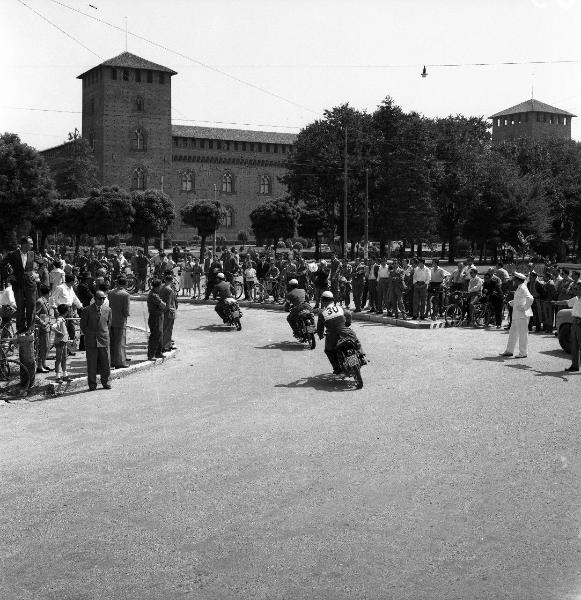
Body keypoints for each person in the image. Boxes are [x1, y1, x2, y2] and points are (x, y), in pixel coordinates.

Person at [316, 291, 365, 374]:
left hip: (332, 335)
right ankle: (361, 356)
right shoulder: (339, 308)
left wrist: (320, 335)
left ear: (323, 301)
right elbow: (349, 314)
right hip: (345, 331)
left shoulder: (322, 313)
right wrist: (347, 323)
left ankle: (337, 368)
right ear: (332, 300)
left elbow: (320, 327)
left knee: (328, 351)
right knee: (356, 341)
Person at [1, 236, 38, 332]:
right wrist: (9, 275)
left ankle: (31, 328)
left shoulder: (32, 254)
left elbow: (42, 263)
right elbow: (1, 264)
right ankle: (20, 328)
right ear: (24, 244)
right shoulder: (12, 254)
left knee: (32, 305)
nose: (32, 245)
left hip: (30, 284)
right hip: (18, 284)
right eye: (31, 243)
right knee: (20, 307)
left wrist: (37, 274)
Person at [80, 290, 112, 390]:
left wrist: (103, 334)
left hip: (103, 340)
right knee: (92, 364)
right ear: (94, 298)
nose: (102, 300)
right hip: (91, 340)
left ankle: (106, 382)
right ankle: (92, 384)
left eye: (104, 298)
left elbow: (108, 325)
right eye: (100, 298)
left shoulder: (108, 310)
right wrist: (90, 335)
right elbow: (83, 326)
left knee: (106, 363)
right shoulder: (87, 310)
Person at [500, 272, 533, 359]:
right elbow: (520, 299)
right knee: (513, 333)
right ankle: (509, 351)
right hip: (517, 315)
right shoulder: (519, 287)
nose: (513, 280)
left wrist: (525, 307)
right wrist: (513, 302)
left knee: (523, 334)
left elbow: (530, 298)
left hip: (522, 315)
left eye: (515, 279)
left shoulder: (522, 287)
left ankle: (523, 352)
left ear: (518, 280)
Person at [51, 274, 83, 355]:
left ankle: (70, 348)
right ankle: (62, 349)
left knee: (71, 329)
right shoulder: (60, 288)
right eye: (74, 281)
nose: (75, 283)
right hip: (62, 310)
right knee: (62, 329)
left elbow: (74, 298)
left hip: (69, 310)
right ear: (71, 281)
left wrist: (81, 307)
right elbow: (52, 299)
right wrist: (55, 309)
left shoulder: (71, 288)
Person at [553, 283, 581, 372]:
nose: (575, 290)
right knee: (574, 346)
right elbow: (567, 302)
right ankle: (575, 365)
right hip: (574, 322)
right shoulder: (577, 298)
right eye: (575, 288)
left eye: (577, 288)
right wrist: (556, 302)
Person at [108, 276, 131, 368]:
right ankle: (120, 362)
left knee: (112, 342)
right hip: (120, 321)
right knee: (120, 342)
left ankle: (112, 360)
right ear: (126, 284)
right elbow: (126, 311)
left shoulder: (110, 292)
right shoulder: (125, 295)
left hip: (110, 320)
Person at [147, 279, 166, 360]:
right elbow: (163, 305)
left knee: (159, 334)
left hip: (158, 316)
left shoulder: (155, 294)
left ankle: (158, 352)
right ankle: (151, 354)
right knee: (155, 335)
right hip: (155, 317)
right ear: (158, 286)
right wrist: (163, 303)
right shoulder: (153, 295)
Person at [53, 304, 72, 383]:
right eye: (68, 310)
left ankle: (65, 375)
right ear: (66, 311)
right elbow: (53, 327)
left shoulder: (62, 319)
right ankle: (57, 376)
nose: (69, 311)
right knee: (59, 359)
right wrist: (58, 332)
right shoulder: (60, 319)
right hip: (60, 342)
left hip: (63, 341)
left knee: (64, 358)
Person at [35, 284, 52, 373]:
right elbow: (34, 315)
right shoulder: (40, 301)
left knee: (46, 347)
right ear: (49, 292)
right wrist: (42, 323)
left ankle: (44, 364)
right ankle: (40, 366)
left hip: (47, 327)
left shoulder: (45, 300)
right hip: (42, 328)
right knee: (42, 347)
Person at [159, 273, 178, 351]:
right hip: (169, 311)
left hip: (162, 310)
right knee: (168, 329)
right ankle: (166, 346)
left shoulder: (161, 287)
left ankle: (163, 345)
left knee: (163, 328)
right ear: (171, 281)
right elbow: (169, 303)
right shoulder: (169, 290)